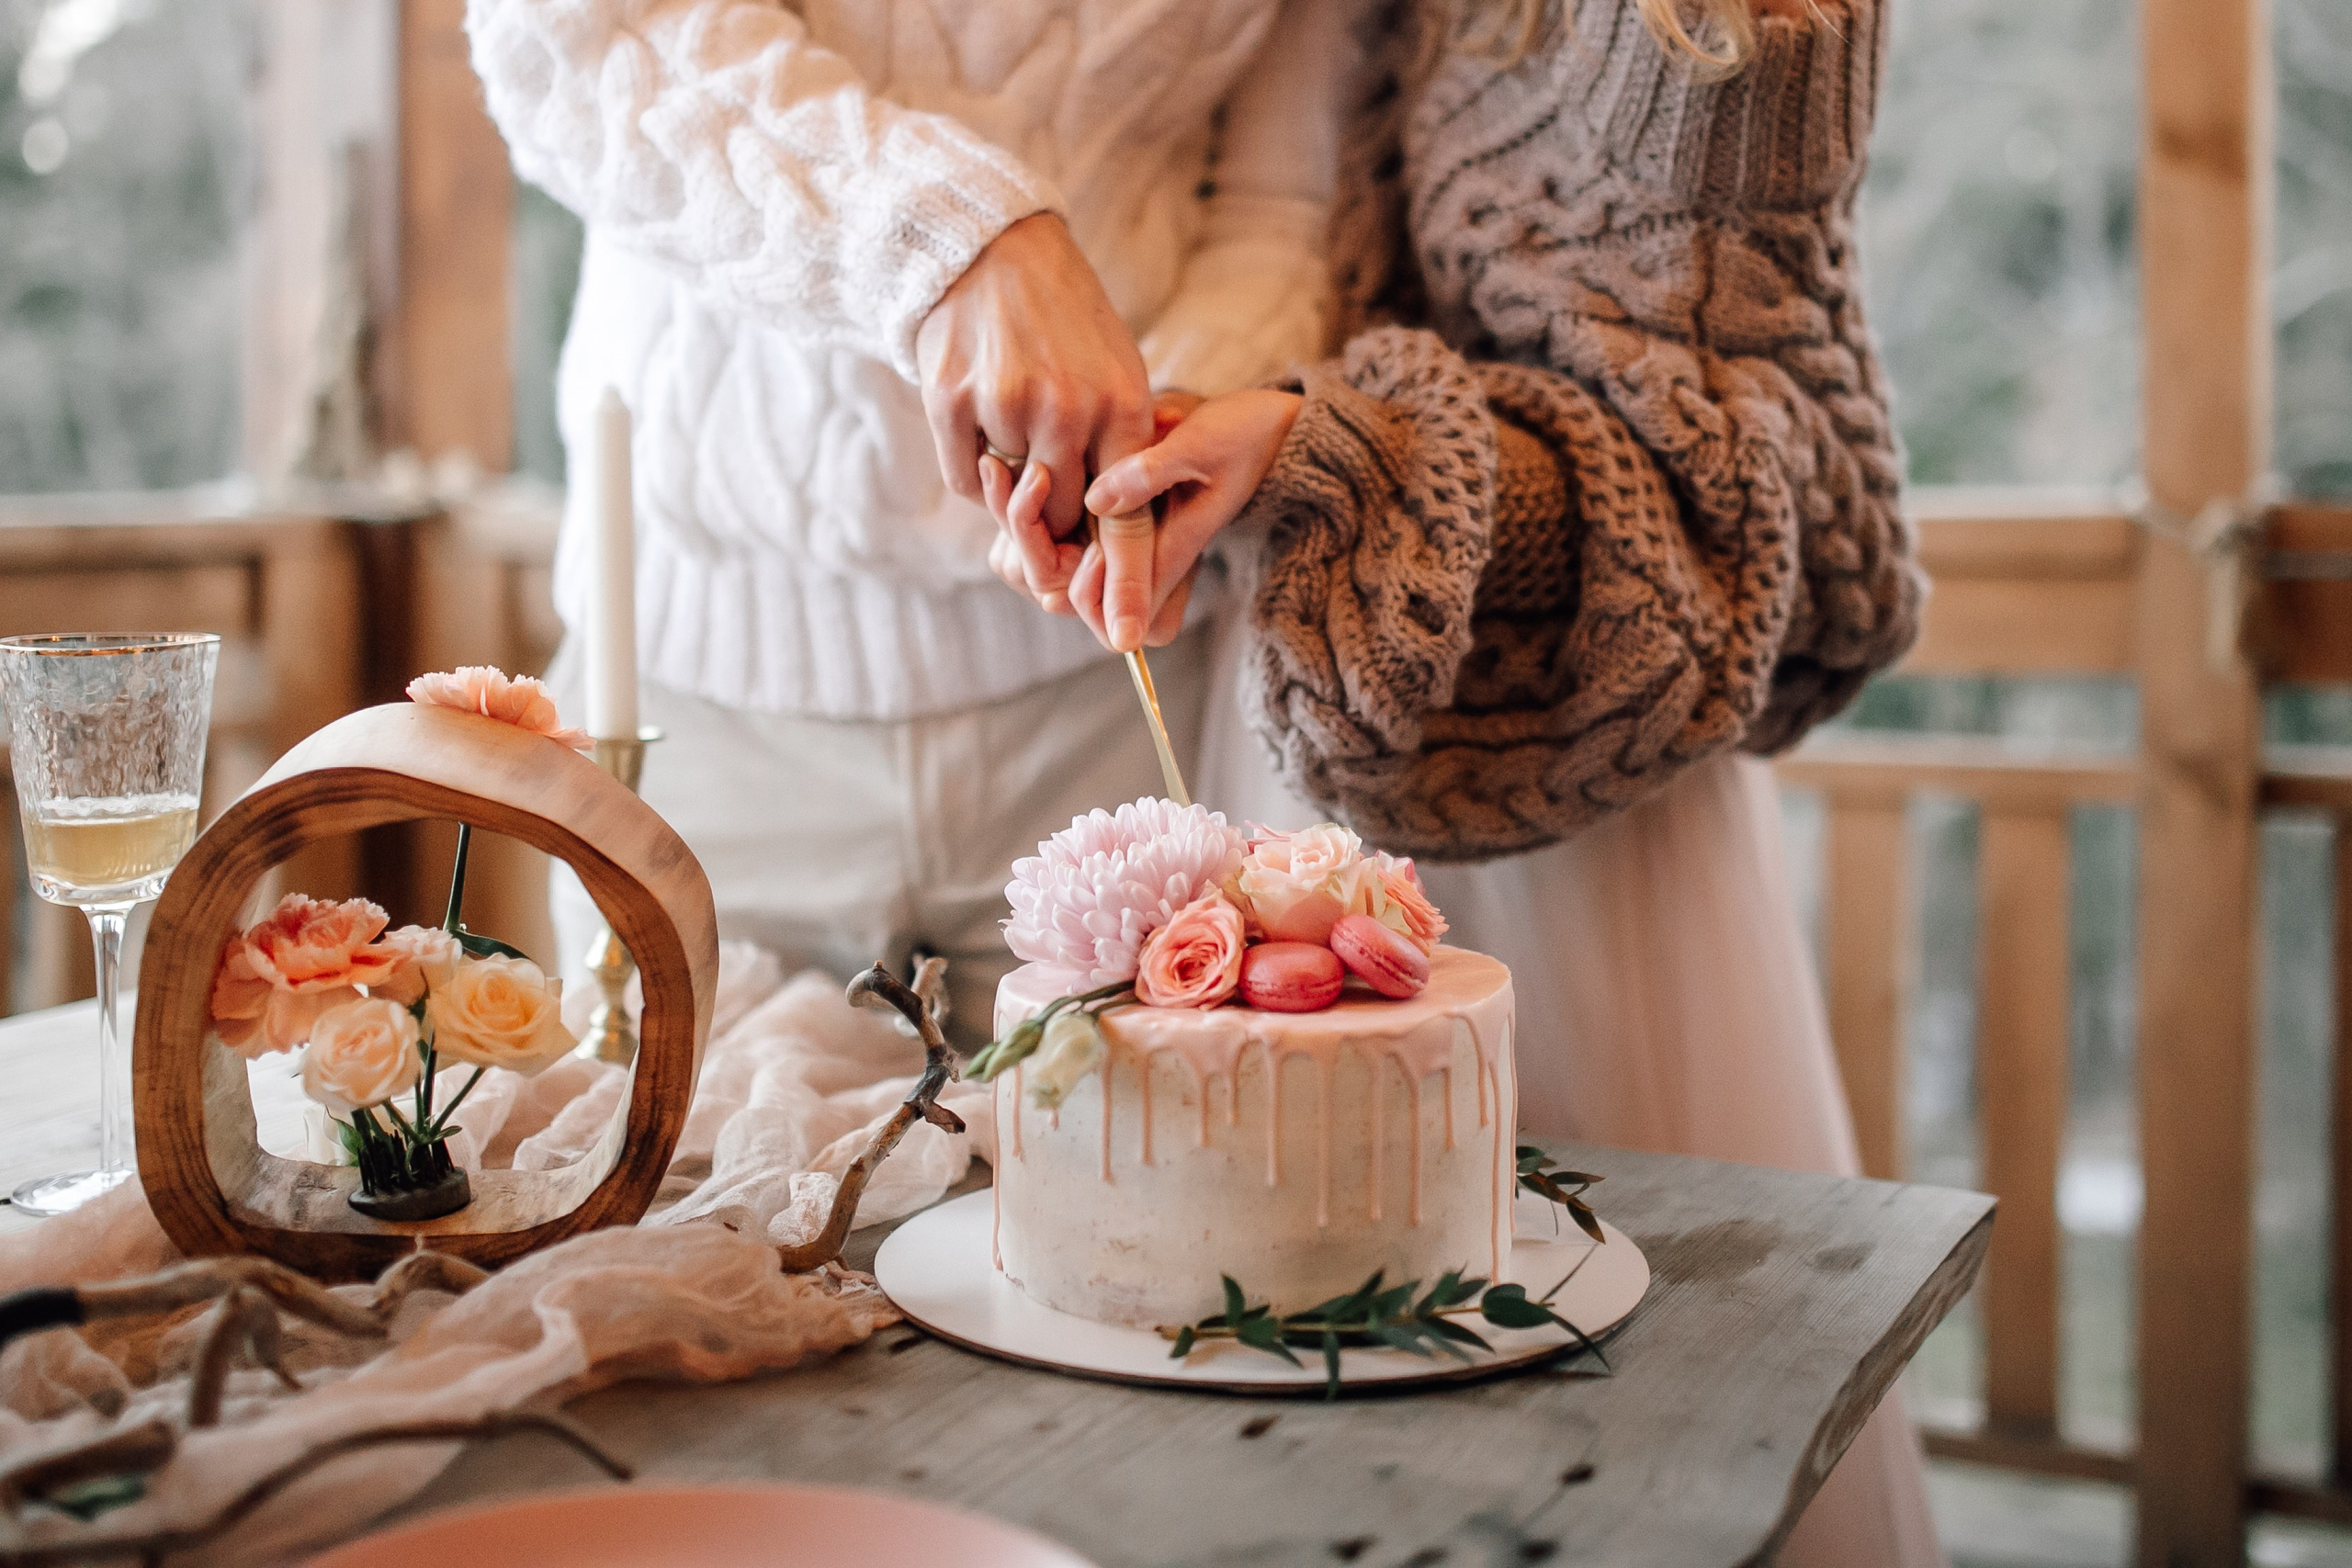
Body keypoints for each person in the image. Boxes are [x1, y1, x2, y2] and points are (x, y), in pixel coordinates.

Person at [993, 0, 1947, 1562]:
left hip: (1574, 827)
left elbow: (1751, 507)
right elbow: (1291, 253)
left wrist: (1344, 454)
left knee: (1621, 1448)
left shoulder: (1707, 37)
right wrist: (1208, 435)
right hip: (1314, 739)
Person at [464, 0, 1344, 1041]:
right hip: (697, 727)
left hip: (1120, 715)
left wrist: (1158, 440)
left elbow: (1278, 209)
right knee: (694, 1194)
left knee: (1143, 1189)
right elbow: (563, 37)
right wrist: (957, 241)